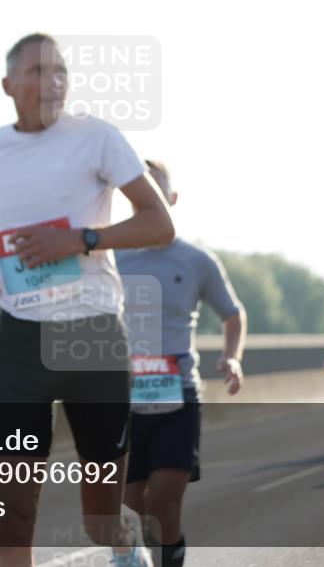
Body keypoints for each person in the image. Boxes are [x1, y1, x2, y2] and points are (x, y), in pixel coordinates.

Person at [0, 33, 174, 566]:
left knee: (99, 522)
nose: (52, 81)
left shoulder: (97, 137)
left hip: (93, 335)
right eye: (37, 71)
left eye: (60, 71)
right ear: (8, 85)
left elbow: (160, 223)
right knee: (11, 522)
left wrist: (80, 239)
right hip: (20, 338)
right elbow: (14, 222)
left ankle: (126, 543)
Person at [116, 160, 246, 567]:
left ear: (172, 199)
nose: (149, 199)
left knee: (164, 504)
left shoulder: (196, 260)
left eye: (157, 191)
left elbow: (232, 314)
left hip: (178, 394)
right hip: (123, 398)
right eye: (141, 193)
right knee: (129, 510)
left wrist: (232, 357)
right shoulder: (112, 257)